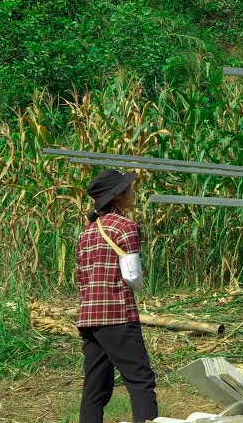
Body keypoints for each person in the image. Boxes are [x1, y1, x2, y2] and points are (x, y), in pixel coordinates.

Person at [76, 169, 158, 423]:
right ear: (119, 196)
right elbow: (132, 276)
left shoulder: (86, 232)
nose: (133, 193)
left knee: (95, 388)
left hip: (89, 317)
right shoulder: (125, 226)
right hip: (117, 314)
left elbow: (81, 278)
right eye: (129, 189)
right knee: (141, 381)